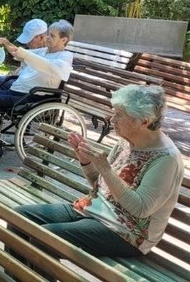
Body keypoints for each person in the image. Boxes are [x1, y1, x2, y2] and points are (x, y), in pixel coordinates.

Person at [11, 85, 183, 259]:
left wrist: (106, 170)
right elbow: (100, 186)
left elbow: (140, 209)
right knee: (18, 218)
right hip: (91, 211)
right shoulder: (126, 141)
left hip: (126, 234)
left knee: (45, 238)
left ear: (144, 121)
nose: (112, 119)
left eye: (119, 114)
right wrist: (86, 161)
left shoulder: (166, 159)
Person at [0, 20, 75, 153]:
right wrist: (6, 43)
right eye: (48, 34)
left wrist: (26, 55)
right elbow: (18, 53)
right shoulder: (45, 51)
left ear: (64, 40)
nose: (48, 38)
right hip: (18, 89)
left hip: (34, 96)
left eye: (52, 36)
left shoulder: (65, 56)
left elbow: (49, 66)